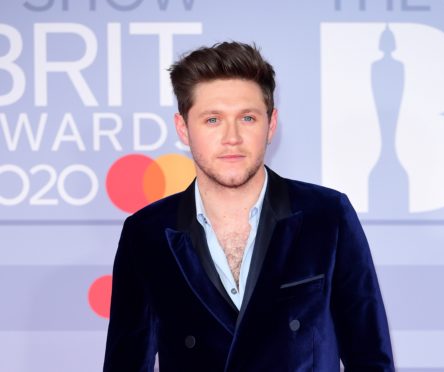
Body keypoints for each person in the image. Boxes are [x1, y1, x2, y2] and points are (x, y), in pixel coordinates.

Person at [103, 41, 395, 371]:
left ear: (271, 125)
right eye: (212, 120)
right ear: (183, 128)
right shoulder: (147, 233)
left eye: (247, 118)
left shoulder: (327, 215)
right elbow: (125, 363)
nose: (232, 137)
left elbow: (370, 357)